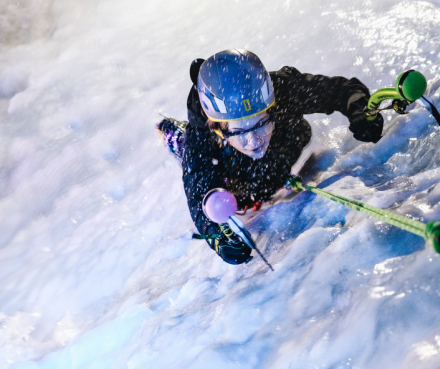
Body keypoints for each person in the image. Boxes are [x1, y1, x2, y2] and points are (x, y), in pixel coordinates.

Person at [158, 48, 383, 265]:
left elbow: (341, 91)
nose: (254, 141)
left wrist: (359, 111)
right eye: (239, 131)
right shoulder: (202, 135)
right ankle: (180, 140)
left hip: (277, 151)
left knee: (291, 141)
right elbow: (199, 190)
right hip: (226, 165)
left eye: (261, 123)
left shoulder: (283, 89)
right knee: (229, 183)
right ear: (215, 126)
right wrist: (218, 235)